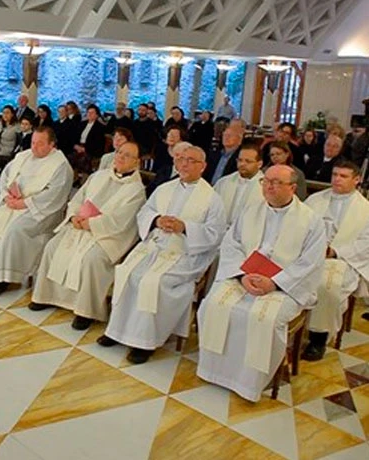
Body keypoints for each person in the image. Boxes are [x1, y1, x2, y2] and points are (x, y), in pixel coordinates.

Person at [197, 165, 326, 402]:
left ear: (293, 188)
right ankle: (215, 370)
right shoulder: (250, 211)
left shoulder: (311, 221)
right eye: (266, 181)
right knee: (213, 304)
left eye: (277, 182)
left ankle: (249, 381)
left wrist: (275, 283)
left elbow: (311, 263)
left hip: (285, 287)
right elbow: (232, 244)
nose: (269, 186)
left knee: (264, 318)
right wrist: (241, 275)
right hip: (245, 276)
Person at [99, 146, 226, 364]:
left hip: (184, 254)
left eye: (191, 161)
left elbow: (215, 234)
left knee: (152, 281)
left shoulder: (212, 199)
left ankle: (144, 341)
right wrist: (157, 220)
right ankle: (117, 330)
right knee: (127, 272)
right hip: (154, 247)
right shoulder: (164, 188)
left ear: (203, 167)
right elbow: (145, 212)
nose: (184, 164)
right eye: (182, 159)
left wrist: (185, 227)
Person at [30, 142, 146, 329]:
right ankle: (46, 296)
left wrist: (91, 224)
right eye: (119, 152)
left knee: (91, 259)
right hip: (80, 226)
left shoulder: (136, 191)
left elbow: (121, 221)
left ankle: (85, 311)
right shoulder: (98, 176)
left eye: (127, 155)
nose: (121, 157)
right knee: (52, 247)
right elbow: (77, 199)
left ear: (137, 162)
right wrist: (75, 216)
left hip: (107, 236)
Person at [0, 127, 73, 299]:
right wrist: (7, 197)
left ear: (52, 144)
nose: (35, 147)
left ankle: (3, 279)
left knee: (13, 231)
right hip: (14, 204)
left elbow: (54, 196)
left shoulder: (60, 165)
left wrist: (24, 203)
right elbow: (5, 177)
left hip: (41, 212)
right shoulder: (23, 157)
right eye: (33, 142)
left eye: (40, 144)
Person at [300, 161, 369, 361]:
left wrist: (334, 251)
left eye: (344, 176)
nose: (337, 179)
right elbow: (298, 224)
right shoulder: (315, 200)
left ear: (357, 180)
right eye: (335, 174)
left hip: (342, 260)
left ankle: (318, 338)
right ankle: (288, 323)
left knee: (327, 287)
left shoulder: (365, 209)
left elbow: (365, 244)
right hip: (309, 254)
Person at [212, 141, 264, 225]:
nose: (242, 164)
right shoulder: (224, 182)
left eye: (248, 161)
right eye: (240, 160)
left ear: (259, 164)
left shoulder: (265, 187)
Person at [68, 104, 107, 175]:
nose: (89, 114)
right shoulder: (82, 124)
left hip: (90, 150)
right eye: (88, 112)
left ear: (97, 115)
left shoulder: (100, 127)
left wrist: (85, 149)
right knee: (69, 157)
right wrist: (75, 146)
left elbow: (98, 143)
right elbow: (75, 137)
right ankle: (74, 177)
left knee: (83, 159)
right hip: (78, 147)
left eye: (92, 113)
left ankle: (83, 179)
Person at [204, 119, 245, 185]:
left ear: (239, 140)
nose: (226, 138)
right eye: (225, 135)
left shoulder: (241, 157)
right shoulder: (214, 154)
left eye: (230, 136)